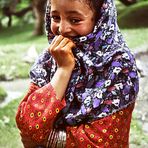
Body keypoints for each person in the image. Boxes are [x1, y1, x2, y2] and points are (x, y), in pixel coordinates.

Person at [16, 0, 139, 147]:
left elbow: (102, 141)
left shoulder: (118, 65)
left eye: (75, 20)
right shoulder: (51, 58)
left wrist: (46, 138)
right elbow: (28, 126)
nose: (62, 29)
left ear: (100, 19)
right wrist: (63, 70)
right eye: (55, 17)